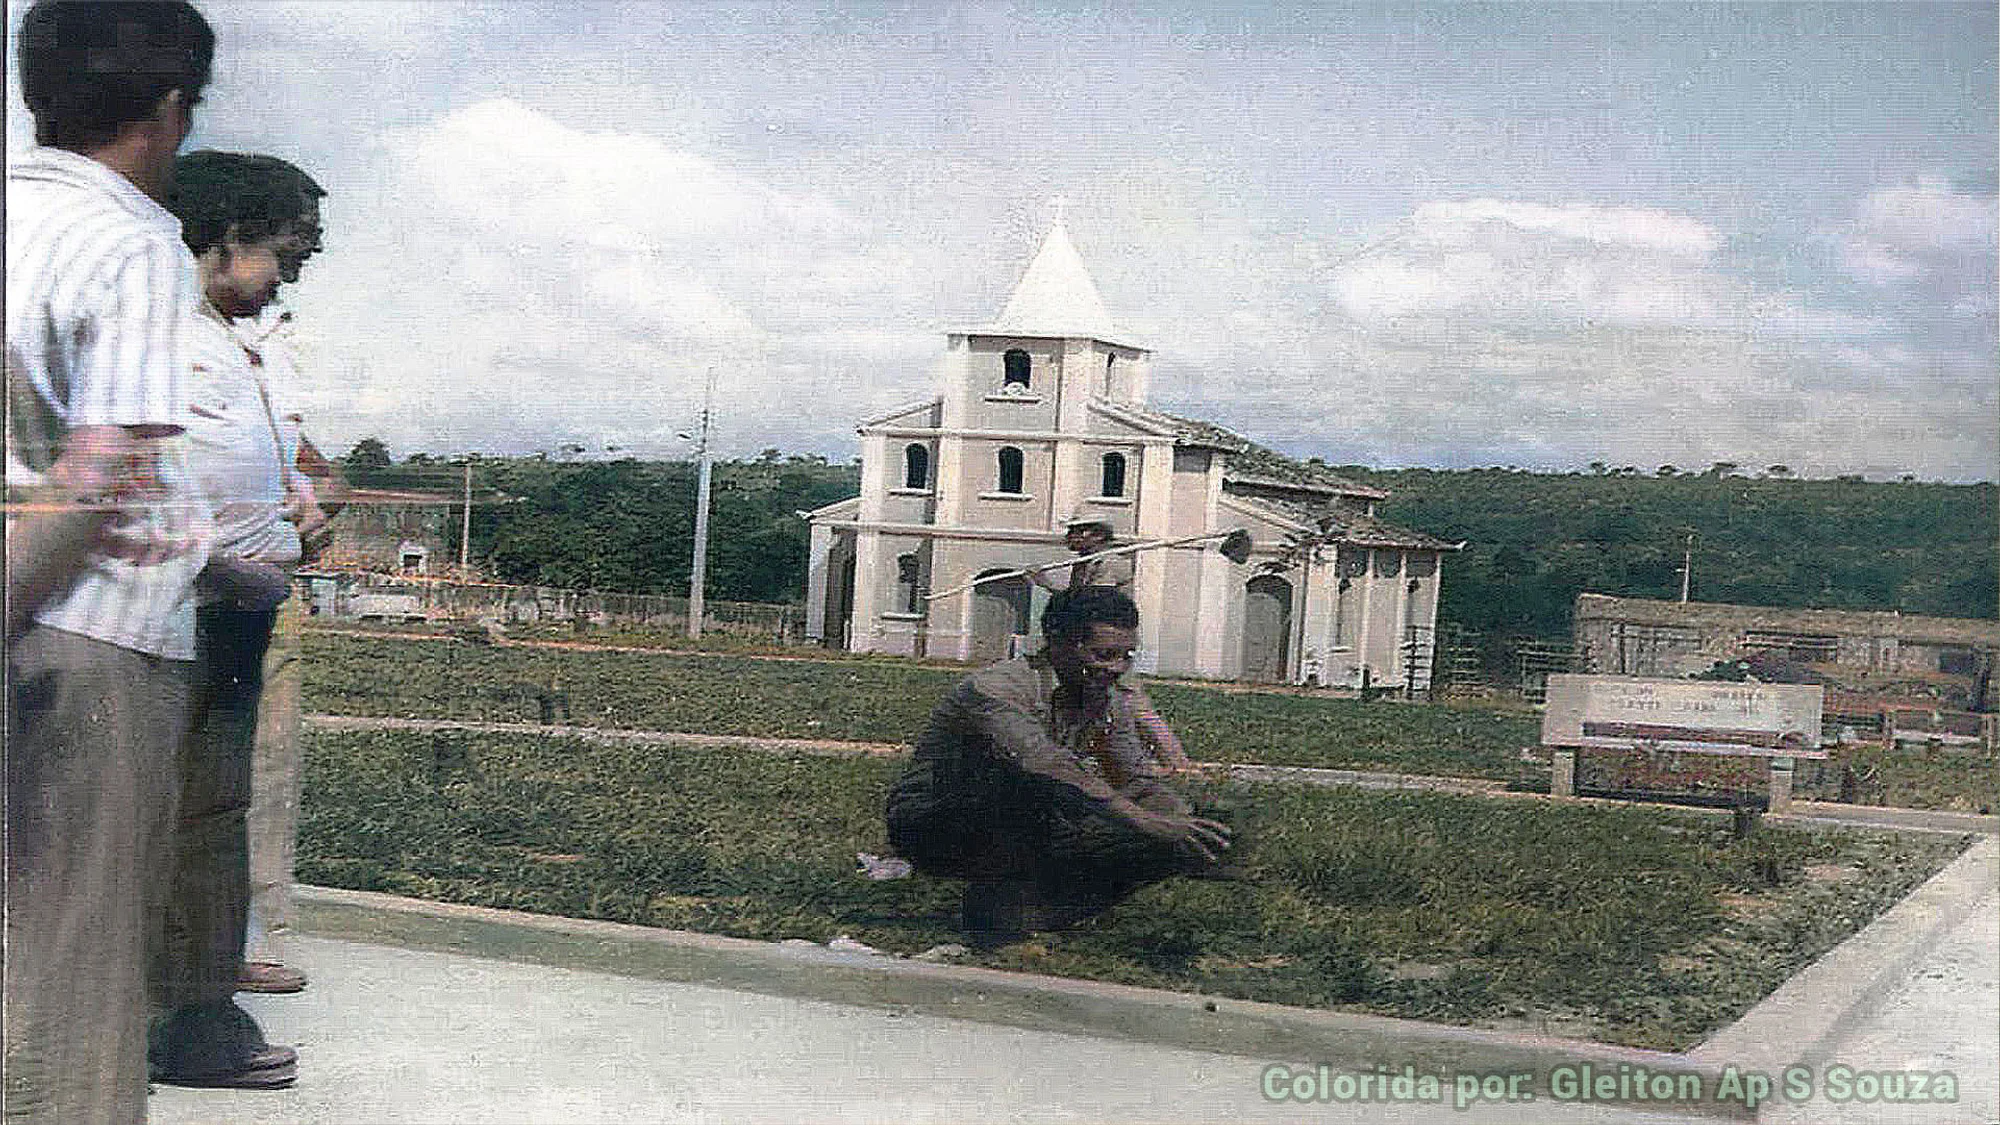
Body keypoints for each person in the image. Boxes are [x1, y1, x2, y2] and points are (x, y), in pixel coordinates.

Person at [5, 2, 216, 1119]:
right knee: (76, 969)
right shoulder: (134, 241)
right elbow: (99, 472)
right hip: (90, 632)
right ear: (169, 108)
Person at [146, 150, 329, 1089]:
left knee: (211, 818)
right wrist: (219, 563)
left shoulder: (237, 339)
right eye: (285, 254)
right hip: (170, 611)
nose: (292, 274)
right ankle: (170, 1013)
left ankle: (194, 1011)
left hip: (233, 615)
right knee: (152, 819)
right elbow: (124, 481)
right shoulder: (159, 333)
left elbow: (259, 461)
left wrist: (299, 506)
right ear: (224, 240)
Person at [886, 587, 1232, 946]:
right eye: (1104, 655)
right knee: (1040, 788)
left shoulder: (1108, 696)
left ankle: (1027, 909)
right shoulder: (998, 688)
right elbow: (1044, 764)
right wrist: (1145, 822)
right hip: (936, 822)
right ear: (1058, 643)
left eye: (1126, 656)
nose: (1117, 669)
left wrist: (1180, 824)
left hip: (1039, 819)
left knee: (1190, 829)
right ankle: (1005, 907)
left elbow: (1135, 778)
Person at [1027, 513, 1134, 594]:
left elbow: (1094, 602)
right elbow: (1075, 599)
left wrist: (1047, 584)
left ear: (1099, 535)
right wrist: (1045, 583)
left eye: (1078, 531)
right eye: (1070, 532)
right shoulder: (1083, 562)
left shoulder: (1109, 562)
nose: (1070, 537)